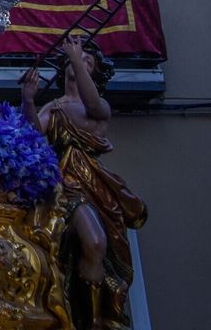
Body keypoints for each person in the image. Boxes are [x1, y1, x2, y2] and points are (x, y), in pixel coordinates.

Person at [20, 36, 147, 329]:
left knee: (101, 249)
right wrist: (27, 99)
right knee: (94, 242)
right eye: (76, 57)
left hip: (97, 188)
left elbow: (94, 106)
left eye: (88, 60)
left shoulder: (97, 106)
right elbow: (33, 137)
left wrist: (77, 56)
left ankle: (96, 318)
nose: (79, 60)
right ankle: (86, 320)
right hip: (66, 187)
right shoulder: (54, 107)